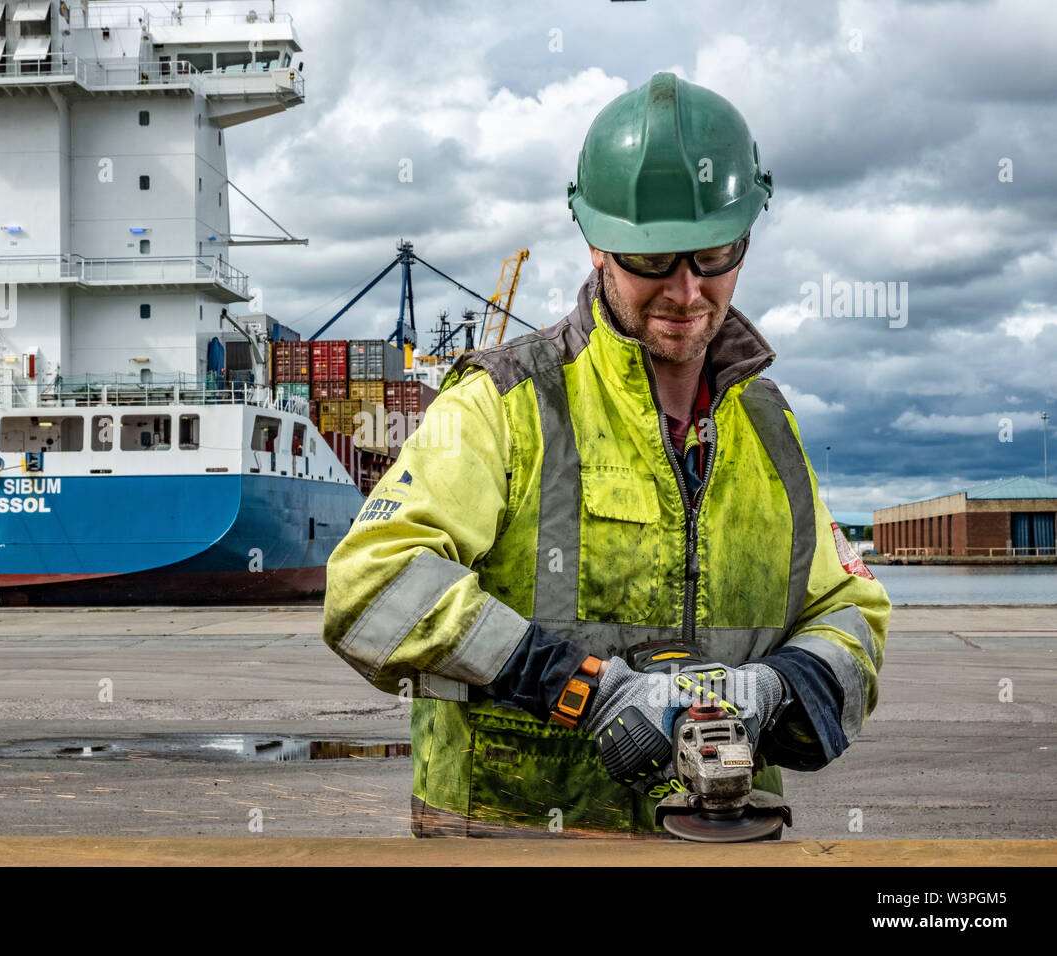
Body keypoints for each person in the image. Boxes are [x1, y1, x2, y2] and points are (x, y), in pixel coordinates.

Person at [322, 72, 890, 837]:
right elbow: (373, 584)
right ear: (596, 245)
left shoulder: (768, 423)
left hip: (725, 839)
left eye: (712, 255)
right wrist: (582, 689)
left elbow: (848, 609)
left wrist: (781, 687)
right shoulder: (505, 402)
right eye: (651, 260)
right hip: (513, 840)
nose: (687, 291)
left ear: (745, 239)